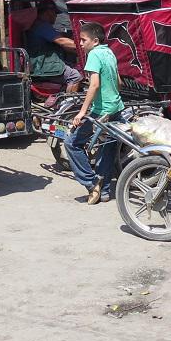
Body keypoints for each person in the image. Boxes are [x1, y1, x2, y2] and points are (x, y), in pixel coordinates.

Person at [67, 22, 125, 205]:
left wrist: (82, 112)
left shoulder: (93, 54)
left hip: (102, 112)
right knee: (106, 149)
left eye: (83, 40)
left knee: (71, 143)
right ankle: (104, 192)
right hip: (116, 108)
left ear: (95, 41)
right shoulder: (109, 52)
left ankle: (91, 183)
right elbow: (119, 82)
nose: (80, 43)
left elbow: (94, 85)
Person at [26, 1, 82, 92]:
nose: (56, 16)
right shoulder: (42, 26)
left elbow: (63, 43)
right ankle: (69, 99)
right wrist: (83, 46)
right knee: (75, 76)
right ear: (48, 12)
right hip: (42, 65)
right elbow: (62, 41)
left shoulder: (42, 25)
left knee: (79, 68)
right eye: (55, 13)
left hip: (46, 63)